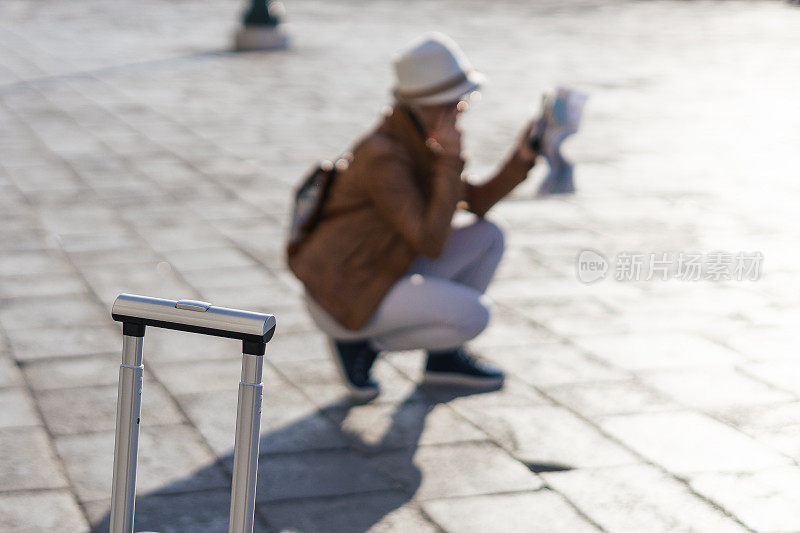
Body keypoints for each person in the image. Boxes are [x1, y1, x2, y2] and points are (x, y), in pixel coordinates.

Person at [287, 32, 539, 400]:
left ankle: (443, 358)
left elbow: (476, 203)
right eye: (460, 102)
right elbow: (430, 243)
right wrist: (450, 160)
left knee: (488, 236)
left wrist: (523, 158)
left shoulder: (415, 139)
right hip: (348, 292)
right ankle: (361, 345)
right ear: (436, 106)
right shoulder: (384, 156)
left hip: (383, 266)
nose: (463, 109)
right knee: (474, 316)